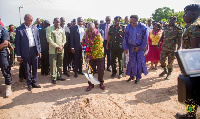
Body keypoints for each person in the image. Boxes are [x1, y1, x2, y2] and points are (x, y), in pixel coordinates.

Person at [176, 4, 200, 119]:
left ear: (194, 13)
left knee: (190, 95)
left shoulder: (194, 27)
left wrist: (188, 68)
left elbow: (195, 51)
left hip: (194, 67)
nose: (184, 16)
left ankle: (191, 114)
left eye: (186, 13)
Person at [15, 14, 41, 91]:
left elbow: (38, 40)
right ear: (25, 20)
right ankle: (29, 83)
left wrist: (39, 51)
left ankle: (34, 82)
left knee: (35, 67)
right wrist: (18, 55)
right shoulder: (19, 29)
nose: (31, 22)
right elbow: (17, 44)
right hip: (25, 51)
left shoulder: (35, 28)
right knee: (27, 68)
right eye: (29, 20)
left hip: (34, 50)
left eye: (32, 20)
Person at [123, 15, 148, 84]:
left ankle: (138, 77)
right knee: (131, 62)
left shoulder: (143, 27)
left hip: (140, 48)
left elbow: (145, 40)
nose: (132, 24)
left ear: (137, 21)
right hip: (131, 48)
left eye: (133, 23)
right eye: (131, 22)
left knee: (139, 63)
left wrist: (140, 48)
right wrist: (125, 47)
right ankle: (132, 76)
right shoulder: (128, 27)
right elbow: (125, 37)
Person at [82, 22, 105, 92]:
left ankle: (101, 82)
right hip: (90, 54)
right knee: (90, 71)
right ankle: (91, 84)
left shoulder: (98, 36)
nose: (89, 32)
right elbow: (83, 41)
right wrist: (85, 51)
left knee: (100, 70)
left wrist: (90, 57)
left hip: (99, 54)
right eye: (88, 30)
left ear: (94, 29)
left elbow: (97, 49)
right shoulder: (86, 32)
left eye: (91, 31)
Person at [46, 18, 66, 84]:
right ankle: (53, 77)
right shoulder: (49, 29)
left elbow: (64, 39)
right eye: (56, 22)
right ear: (53, 22)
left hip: (61, 50)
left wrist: (62, 45)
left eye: (59, 22)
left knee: (60, 64)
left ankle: (59, 76)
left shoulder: (61, 30)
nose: (58, 24)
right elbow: (49, 39)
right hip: (53, 50)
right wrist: (56, 46)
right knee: (53, 64)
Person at [0, 24, 12, 97]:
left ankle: (8, 87)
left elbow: (5, 43)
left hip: (2, 52)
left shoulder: (3, 30)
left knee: (5, 69)